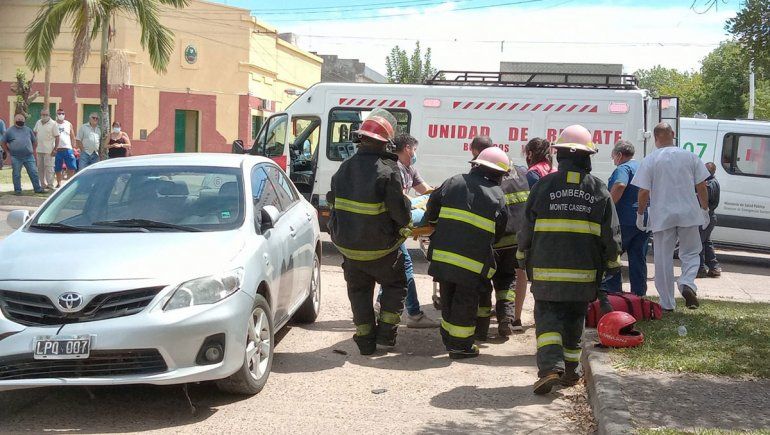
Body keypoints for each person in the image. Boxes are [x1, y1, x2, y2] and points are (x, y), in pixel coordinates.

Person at [517, 124, 621, 394]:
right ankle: (571, 372)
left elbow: (526, 227)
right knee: (574, 319)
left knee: (548, 318)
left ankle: (551, 368)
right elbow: (610, 234)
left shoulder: (542, 186)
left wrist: (521, 255)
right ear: (587, 157)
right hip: (583, 275)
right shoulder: (598, 189)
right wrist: (612, 264)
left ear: (559, 156)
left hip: (545, 271)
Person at [326, 109, 412, 355]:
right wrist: (404, 223)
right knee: (395, 286)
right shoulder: (388, 170)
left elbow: (335, 206)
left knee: (359, 292)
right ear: (386, 143)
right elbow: (400, 213)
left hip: (350, 249)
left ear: (360, 139)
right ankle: (385, 337)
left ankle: (365, 342)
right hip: (381, 249)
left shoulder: (343, 168)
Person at [424, 146, 509, 359]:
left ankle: (448, 335)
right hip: (472, 262)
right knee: (465, 301)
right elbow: (499, 231)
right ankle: (461, 346)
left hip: (443, 256)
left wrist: (435, 224)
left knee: (448, 296)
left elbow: (432, 207)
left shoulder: (453, 181)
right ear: (497, 174)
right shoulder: (498, 196)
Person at [632, 122, 710, 311]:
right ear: (673, 134)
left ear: (655, 138)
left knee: (663, 259)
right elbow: (702, 186)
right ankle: (687, 283)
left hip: (662, 215)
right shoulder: (690, 156)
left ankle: (667, 303)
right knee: (691, 252)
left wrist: (640, 213)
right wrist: (705, 209)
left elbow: (643, 192)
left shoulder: (651, 159)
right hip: (689, 213)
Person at [376, 133, 438, 328]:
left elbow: (426, 191)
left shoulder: (410, 168)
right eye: (415, 150)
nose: (415, 154)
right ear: (407, 149)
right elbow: (401, 201)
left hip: (400, 218)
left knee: (393, 266)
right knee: (405, 264)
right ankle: (414, 314)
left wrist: (438, 194)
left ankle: (380, 304)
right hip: (394, 223)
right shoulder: (394, 168)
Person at [469, 136, 529, 336]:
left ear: (477, 152)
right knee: (506, 281)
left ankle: (481, 329)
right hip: (516, 240)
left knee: (484, 283)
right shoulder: (519, 171)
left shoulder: (482, 173)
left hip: (493, 240)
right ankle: (506, 322)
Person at [600, 140, 650, 296]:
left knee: (612, 255)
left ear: (619, 155)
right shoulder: (642, 167)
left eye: (613, 156)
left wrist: (607, 208)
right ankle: (639, 294)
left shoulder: (624, 168)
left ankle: (613, 292)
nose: (613, 160)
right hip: (642, 220)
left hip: (624, 220)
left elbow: (620, 185)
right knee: (638, 258)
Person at [1, 114, 44, 195]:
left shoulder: (28, 130)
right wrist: (7, 151)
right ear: (15, 120)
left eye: (22, 119)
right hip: (16, 157)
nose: (20, 120)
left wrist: (31, 150)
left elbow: (34, 141)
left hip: (29, 156)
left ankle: (37, 189)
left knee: (33, 172)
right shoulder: (9, 131)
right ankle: (17, 190)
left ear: (24, 120)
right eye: (18, 119)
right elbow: (3, 142)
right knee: (16, 174)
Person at [698, 162, 721, 278]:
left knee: (698, 243)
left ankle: (700, 269)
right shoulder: (714, 182)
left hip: (705, 216)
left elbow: (704, 200)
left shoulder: (709, 184)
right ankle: (714, 267)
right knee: (706, 242)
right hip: (710, 216)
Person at [33, 109, 60, 190]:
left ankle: (50, 185)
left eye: (46, 114)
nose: (44, 116)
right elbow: (34, 133)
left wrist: (55, 149)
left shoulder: (53, 123)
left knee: (49, 168)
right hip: (39, 149)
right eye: (42, 114)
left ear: (49, 115)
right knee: (40, 168)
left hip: (49, 150)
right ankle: (42, 184)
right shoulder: (38, 122)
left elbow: (57, 137)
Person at [54, 108, 77, 187]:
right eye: (59, 113)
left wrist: (73, 147)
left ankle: (69, 182)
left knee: (71, 167)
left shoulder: (68, 124)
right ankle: (59, 183)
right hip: (57, 149)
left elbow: (73, 136)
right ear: (56, 115)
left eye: (62, 113)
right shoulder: (53, 124)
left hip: (68, 149)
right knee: (57, 167)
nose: (61, 115)